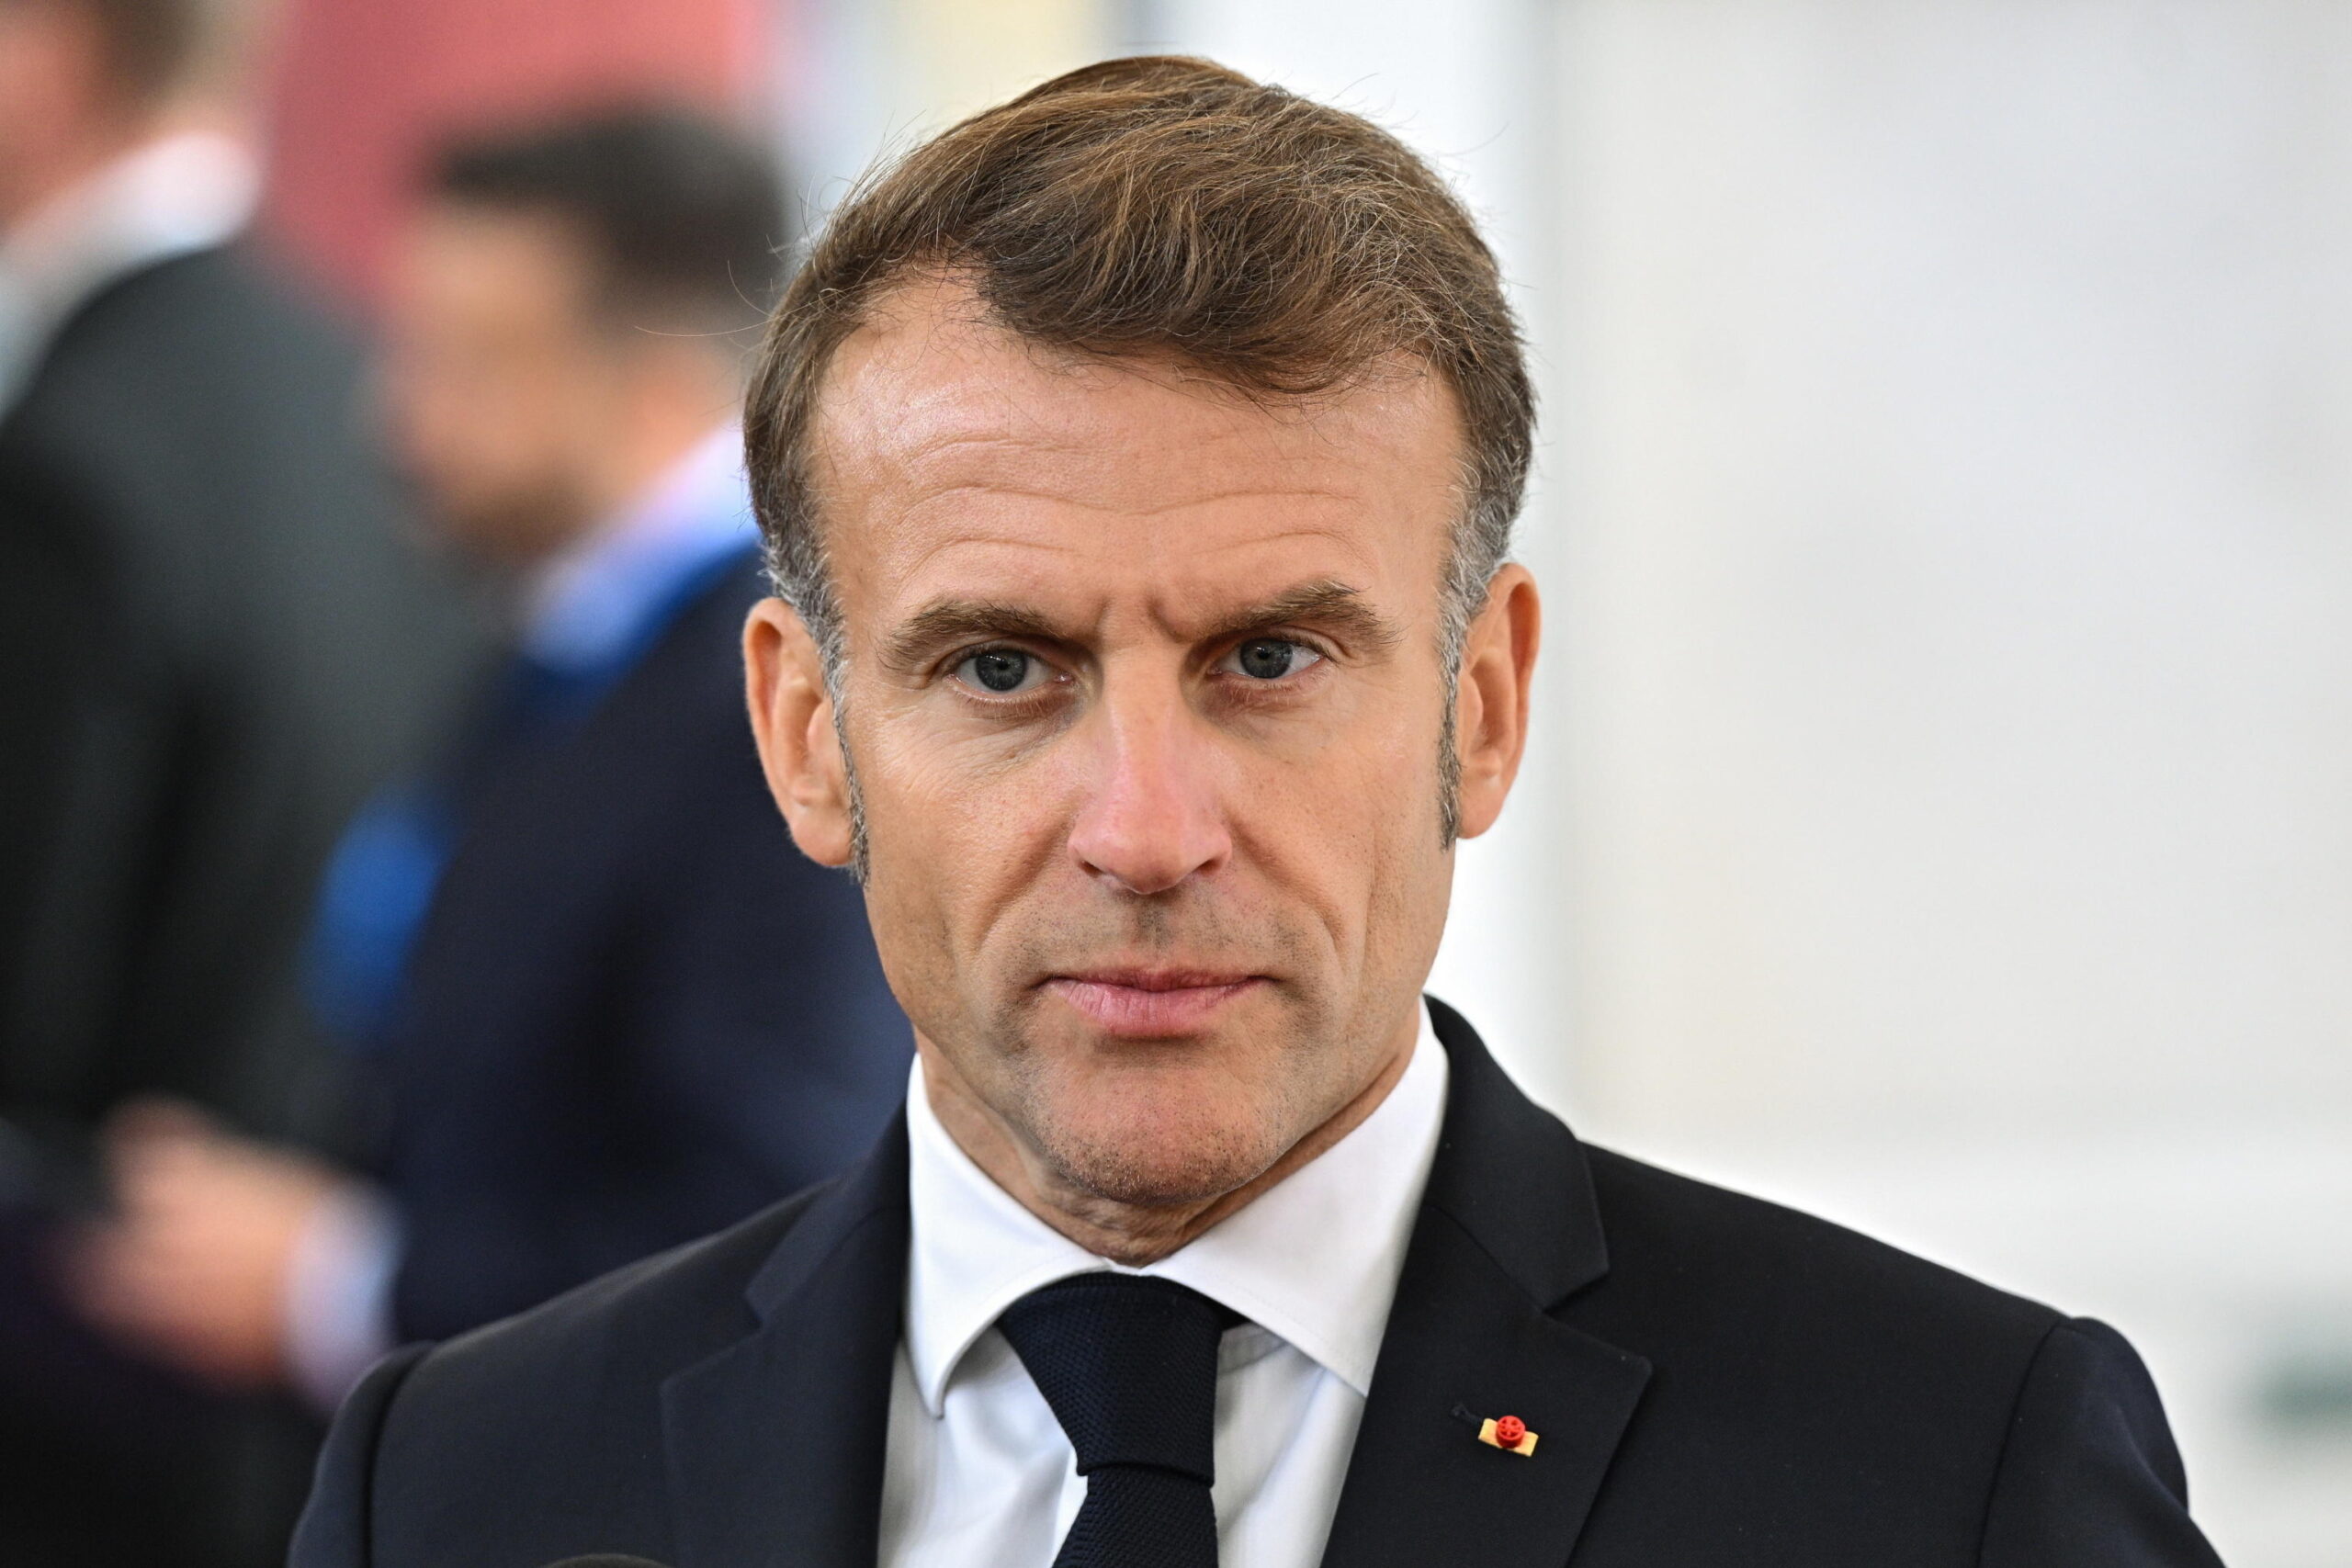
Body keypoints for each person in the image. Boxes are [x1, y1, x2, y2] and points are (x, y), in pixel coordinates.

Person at [292, 58, 2226, 1568]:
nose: (1146, 830)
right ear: (806, 735)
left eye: (1271, 659)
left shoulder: (1948, 1471)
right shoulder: (456, 1484)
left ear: (1480, 707)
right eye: (1003, 668)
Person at [71, 109, 910, 1412]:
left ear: (654, 393)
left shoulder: (766, 711)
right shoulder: (560, 638)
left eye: (469, 361)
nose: (393, 412)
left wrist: (341, 1284)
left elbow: (771, 1218)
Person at [0, 0, 469, 1560]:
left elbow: (30, 998)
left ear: (46, 57)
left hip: (86, 1383)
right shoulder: (361, 380)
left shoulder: (67, 456)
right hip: (331, 1406)